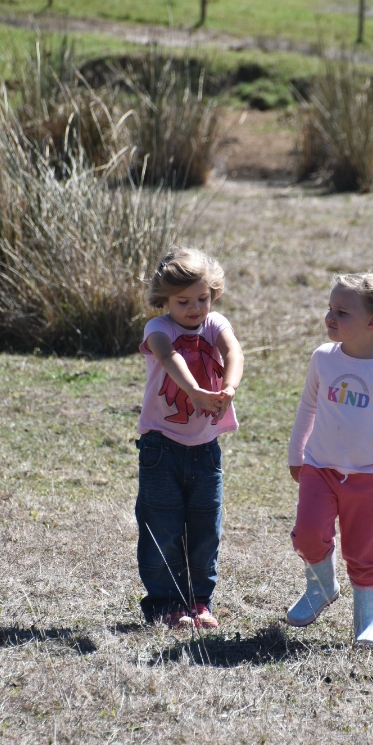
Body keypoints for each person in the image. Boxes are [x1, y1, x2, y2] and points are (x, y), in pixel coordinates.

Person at [286, 273, 373, 649]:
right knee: (307, 534)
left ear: (372, 322)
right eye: (329, 309)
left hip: (370, 478)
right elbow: (307, 406)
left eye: (342, 312)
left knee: (363, 553)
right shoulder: (322, 358)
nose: (330, 317)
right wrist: (297, 453)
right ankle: (321, 588)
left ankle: (368, 622)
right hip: (319, 468)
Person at [135, 246, 244, 630]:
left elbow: (233, 351)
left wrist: (229, 387)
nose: (195, 308)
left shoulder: (215, 324)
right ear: (164, 299)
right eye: (183, 302)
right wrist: (195, 391)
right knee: (161, 528)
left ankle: (199, 603)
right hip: (160, 447)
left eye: (203, 298)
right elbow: (170, 358)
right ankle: (166, 605)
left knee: (205, 530)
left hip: (205, 450)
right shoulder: (158, 329)